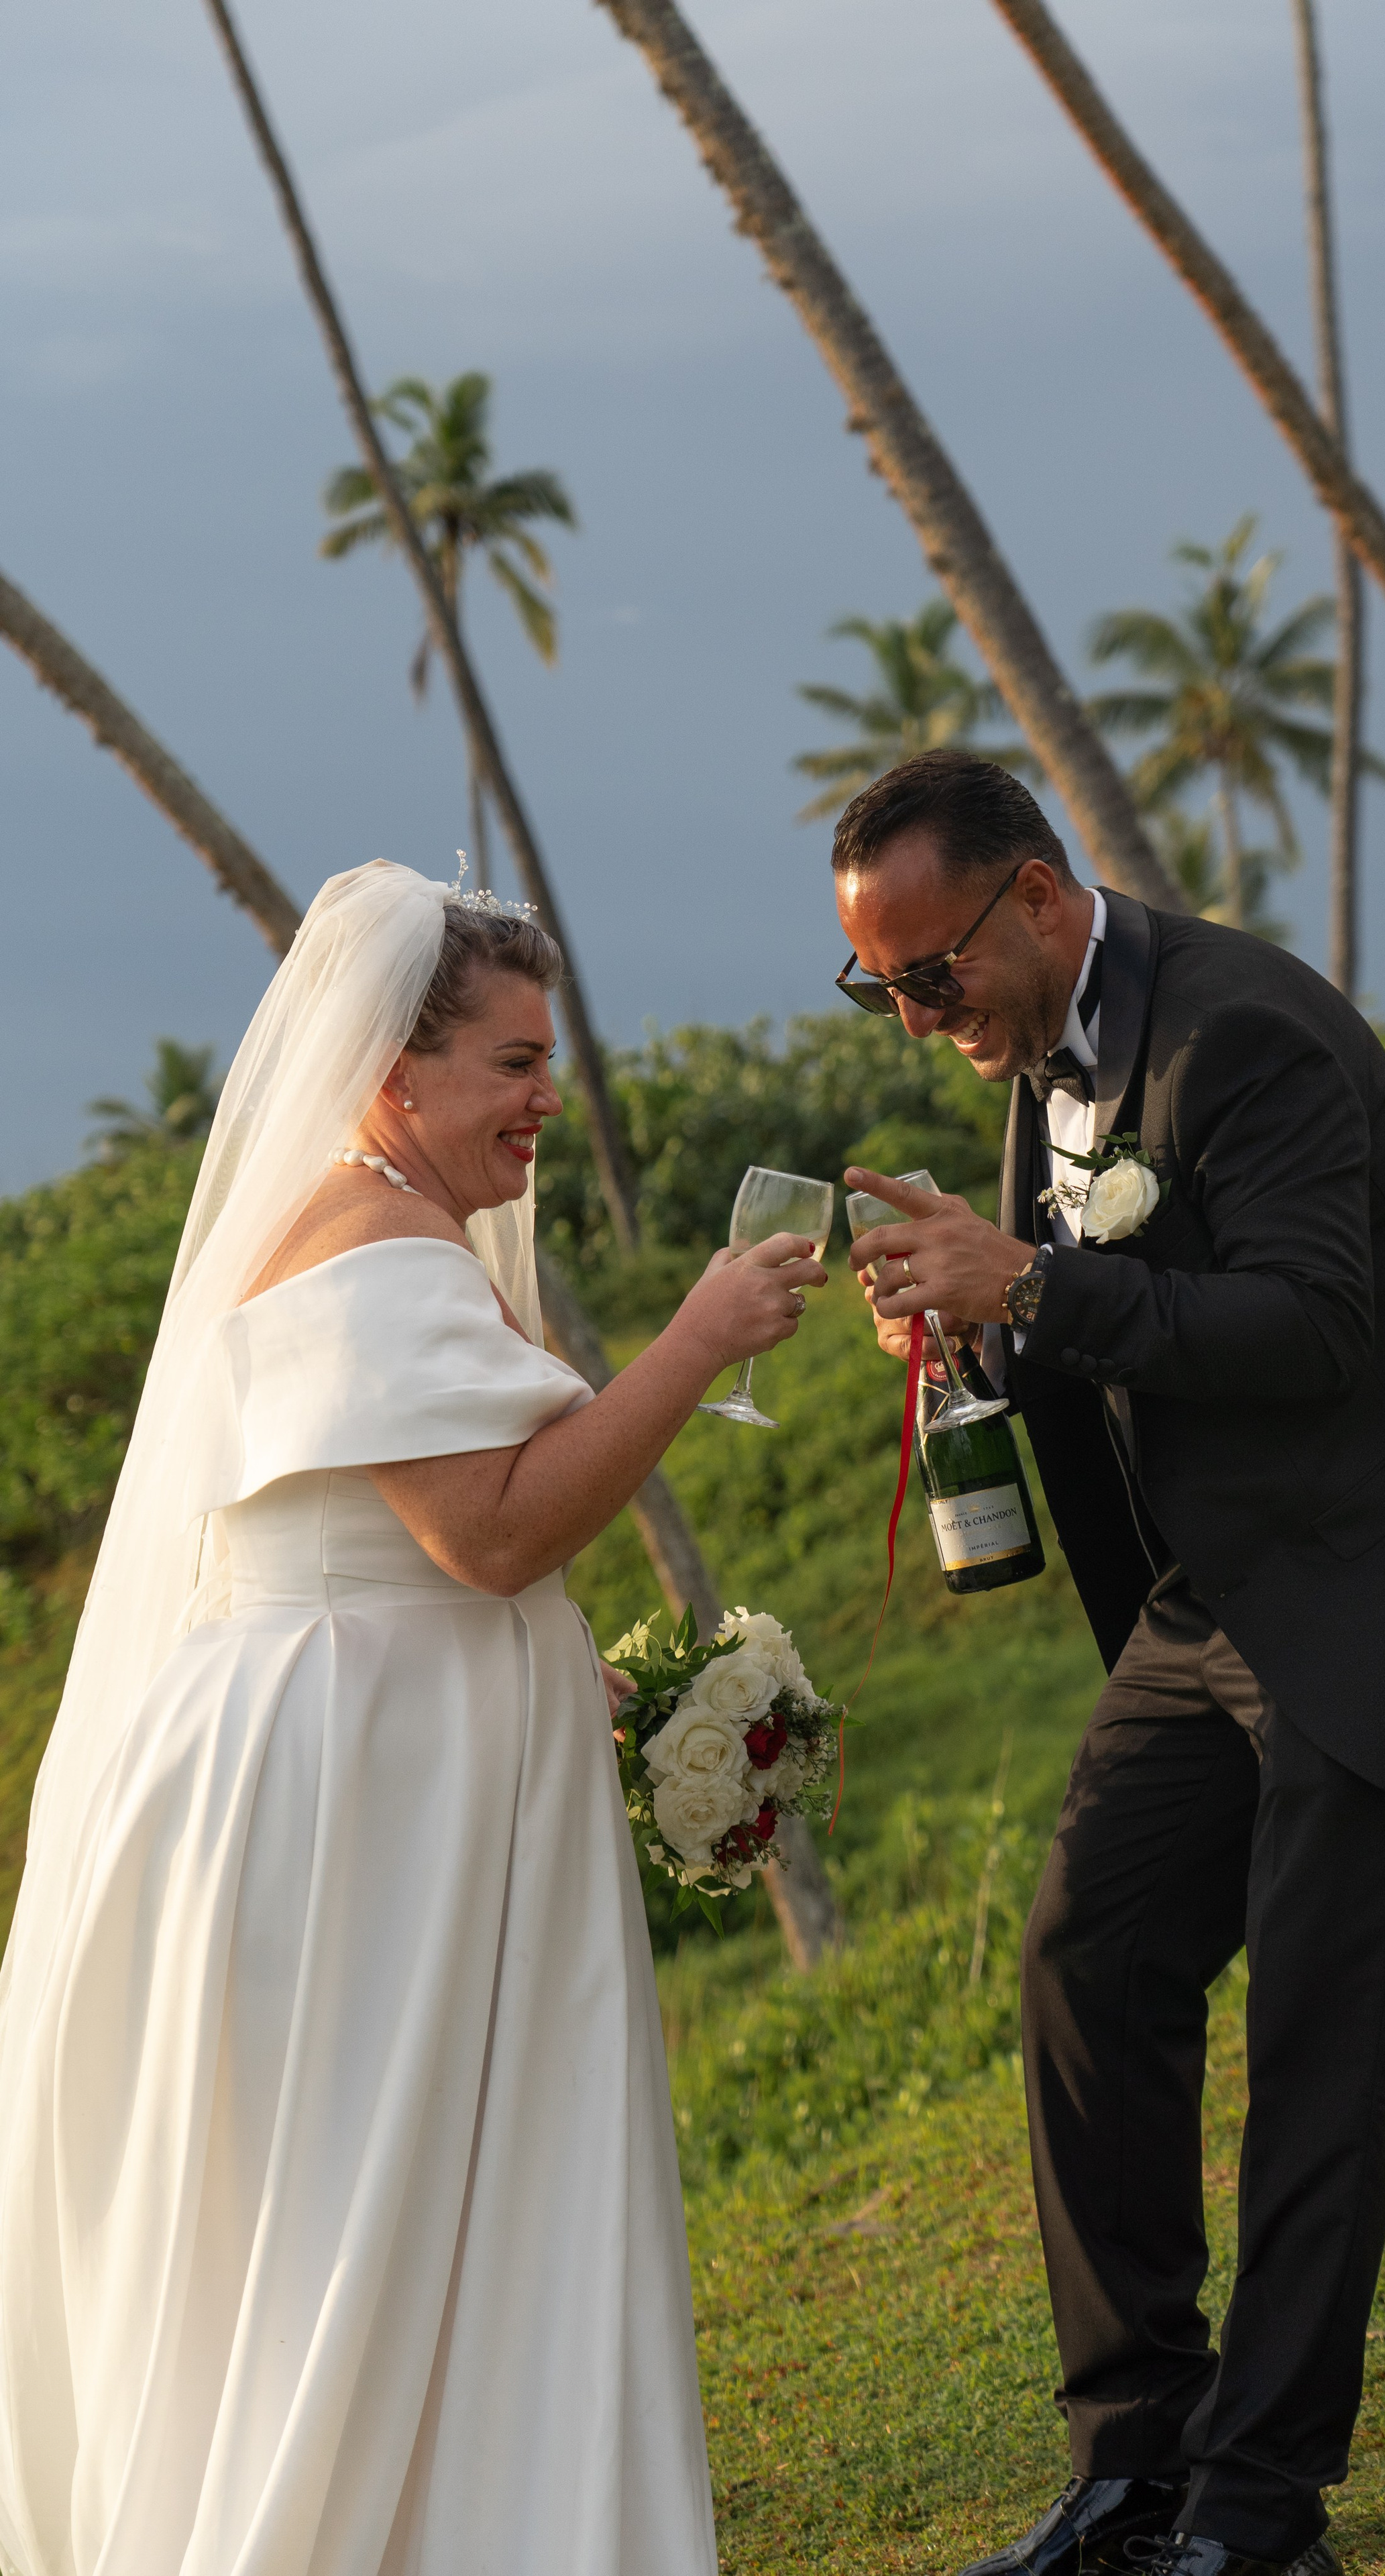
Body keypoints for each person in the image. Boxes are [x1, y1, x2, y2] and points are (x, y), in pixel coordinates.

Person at [836, 751, 1385, 2576]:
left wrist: (1031, 1287)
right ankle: (1135, 2468)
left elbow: (1309, 1322)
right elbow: (1117, 1317)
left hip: (1382, 1574)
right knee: (1086, 1962)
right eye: (879, 991)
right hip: (1212, 1601)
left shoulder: (1242, 1032)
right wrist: (979, 1332)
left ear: (1039, 896)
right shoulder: (1041, 1050)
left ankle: (1260, 2514)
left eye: (931, 973)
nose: (919, 1018)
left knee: (1316, 2046)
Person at [0, 860, 824, 2576]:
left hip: (364, 1773)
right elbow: (491, 1534)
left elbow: (396, 1549)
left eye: (547, 1062)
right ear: (393, 1072)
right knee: (357, 2213)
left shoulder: (383, 1231)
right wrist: (695, 1340)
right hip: (352, 1816)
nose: (545, 1099)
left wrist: (577, 1677)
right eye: (512, 1064)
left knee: (387, 2210)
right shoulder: (373, 1253)